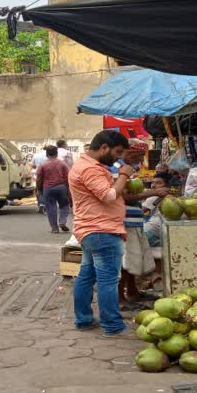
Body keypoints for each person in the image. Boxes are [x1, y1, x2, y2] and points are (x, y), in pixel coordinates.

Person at [70, 130, 134, 337]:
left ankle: (84, 319)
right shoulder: (90, 169)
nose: (118, 158)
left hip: (92, 230)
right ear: (104, 147)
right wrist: (124, 174)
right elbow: (108, 196)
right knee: (108, 280)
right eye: (117, 152)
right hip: (102, 231)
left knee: (86, 276)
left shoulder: (87, 166)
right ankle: (112, 325)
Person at [110, 139, 170, 308]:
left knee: (133, 260)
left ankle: (133, 292)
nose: (140, 160)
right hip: (125, 221)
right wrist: (153, 192)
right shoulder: (118, 168)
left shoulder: (128, 169)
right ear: (129, 151)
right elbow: (123, 196)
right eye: (139, 155)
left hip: (134, 220)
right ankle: (121, 299)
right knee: (125, 261)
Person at [36, 145, 71, 234]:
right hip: (61, 187)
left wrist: (39, 189)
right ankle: (62, 221)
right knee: (64, 205)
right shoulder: (63, 164)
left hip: (48, 188)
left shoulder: (43, 165)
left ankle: (54, 228)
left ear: (47, 154)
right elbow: (68, 177)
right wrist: (69, 190)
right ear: (56, 153)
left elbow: (39, 179)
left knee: (50, 207)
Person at [31, 146, 48, 214]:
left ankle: (41, 204)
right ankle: (45, 206)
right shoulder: (50, 156)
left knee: (39, 189)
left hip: (38, 175)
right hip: (48, 175)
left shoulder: (36, 155)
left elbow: (32, 166)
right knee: (47, 190)